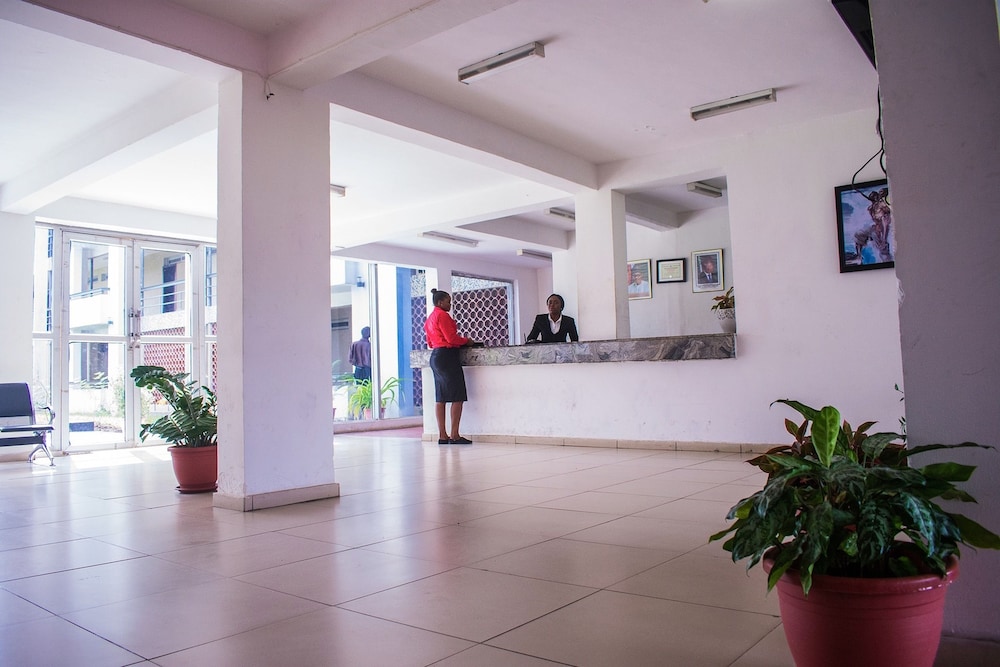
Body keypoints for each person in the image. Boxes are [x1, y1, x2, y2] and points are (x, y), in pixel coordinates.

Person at [424, 289, 477, 445]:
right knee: (457, 396)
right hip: (447, 357)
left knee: (440, 397)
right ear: (440, 302)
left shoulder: (430, 318)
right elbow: (451, 338)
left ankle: (442, 435)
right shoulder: (443, 316)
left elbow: (430, 343)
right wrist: (467, 341)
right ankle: (455, 435)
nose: (450, 304)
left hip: (436, 357)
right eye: (448, 301)